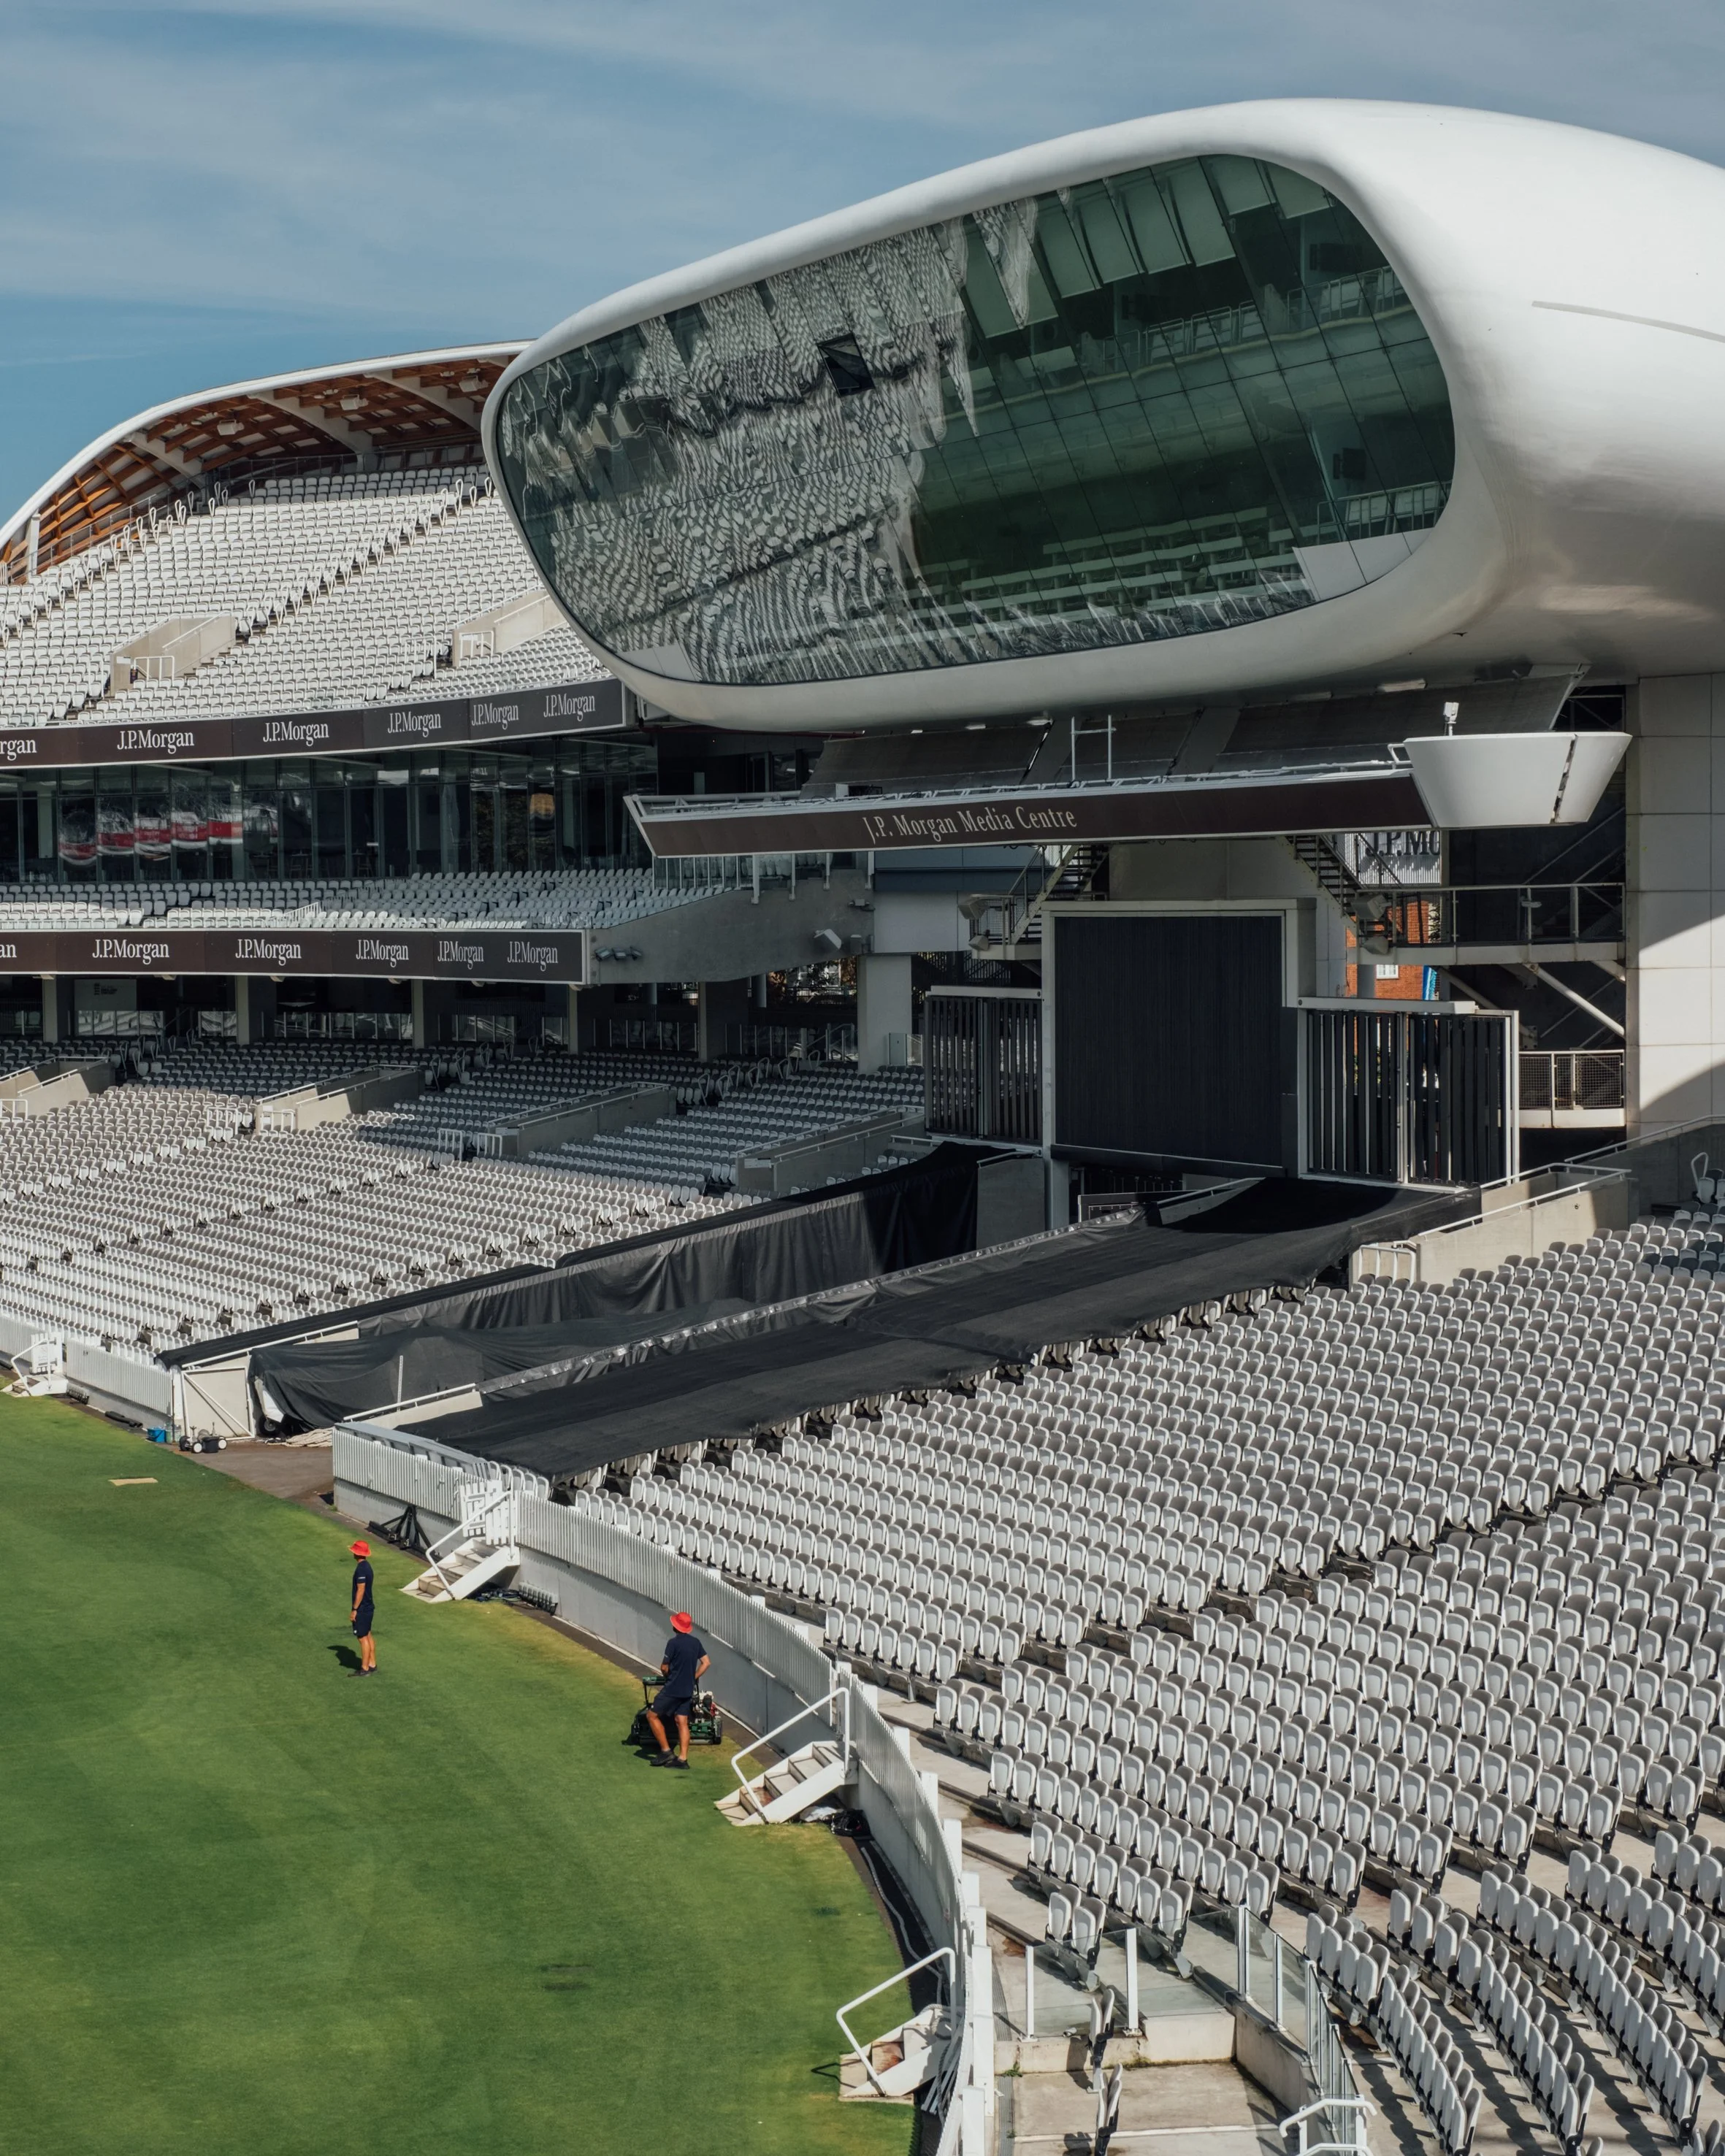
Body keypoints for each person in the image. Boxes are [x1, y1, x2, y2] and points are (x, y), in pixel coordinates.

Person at [644, 1611, 708, 1768]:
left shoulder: (673, 1643)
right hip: (687, 1689)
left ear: (675, 1626)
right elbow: (706, 1663)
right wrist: (693, 1677)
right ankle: (683, 1760)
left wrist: (667, 1674)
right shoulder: (696, 1642)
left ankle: (666, 1751)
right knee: (682, 1721)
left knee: (651, 1716)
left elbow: (664, 1667)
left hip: (673, 1688)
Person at [349, 1540, 376, 1674]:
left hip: (362, 1609)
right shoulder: (368, 1566)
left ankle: (364, 1668)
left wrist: (354, 1610)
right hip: (369, 1607)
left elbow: (361, 1589)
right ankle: (372, 1663)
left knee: (362, 1637)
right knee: (368, 1635)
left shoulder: (361, 1569)